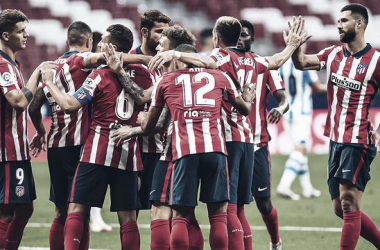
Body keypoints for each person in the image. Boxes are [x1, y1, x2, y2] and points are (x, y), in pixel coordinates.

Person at [148, 15, 307, 249]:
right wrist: (292, 45)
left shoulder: (218, 57)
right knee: (238, 208)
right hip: (248, 139)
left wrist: (175, 54)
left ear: (215, 38)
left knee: (226, 209)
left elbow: (204, 62)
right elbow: (276, 60)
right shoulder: (253, 60)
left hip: (224, 139)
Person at [40, 24, 146, 250]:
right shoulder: (145, 74)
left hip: (97, 151)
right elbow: (145, 101)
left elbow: (70, 104)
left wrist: (49, 82)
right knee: (128, 218)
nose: (98, 44)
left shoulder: (99, 75)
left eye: (103, 41)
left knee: (76, 208)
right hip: (128, 152)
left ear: (112, 48)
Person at [140, 44, 256, 250]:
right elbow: (244, 109)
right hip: (216, 150)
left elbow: (150, 127)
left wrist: (141, 119)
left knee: (181, 216)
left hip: (185, 152)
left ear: (179, 60)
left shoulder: (165, 80)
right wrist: (248, 97)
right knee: (218, 216)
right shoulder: (220, 77)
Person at [291, 3, 380, 249]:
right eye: (338, 21)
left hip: (358, 139)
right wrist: (295, 45)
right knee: (340, 208)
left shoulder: (376, 61)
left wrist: (379, 132)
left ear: (360, 23)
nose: (338, 25)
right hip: (335, 139)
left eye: (344, 21)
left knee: (349, 202)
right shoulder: (332, 54)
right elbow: (300, 63)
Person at [110, 25, 201, 250]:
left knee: (160, 210)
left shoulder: (169, 79)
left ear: (174, 49)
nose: (158, 45)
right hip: (206, 147)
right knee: (186, 211)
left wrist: (134, 128)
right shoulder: (205, 73)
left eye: (163, 42)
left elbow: (157, 121)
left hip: (174, 149)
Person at [0, 9, 56, 249]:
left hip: (17, 151)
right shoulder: (2, 65)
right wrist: (37, 72)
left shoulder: (13, 64)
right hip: (7, 152)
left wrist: (38, 131)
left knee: (24, 207)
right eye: (20, 31)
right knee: (7, 210)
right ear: (5, 35)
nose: (26, 35)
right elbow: (18, 101)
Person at [238, 19, 289, 250]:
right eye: (237, 34)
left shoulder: (265, 64)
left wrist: (280, 108)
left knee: (264, 203)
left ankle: (275, 241)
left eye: (245, 34)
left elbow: (284, 98)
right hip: (230, 143)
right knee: (232, 204)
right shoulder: (220, 64)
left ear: (253, 38)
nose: (240, 38)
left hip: (257, 144)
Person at [130, 9, 171, 211]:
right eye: (159, 32)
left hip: (161, 147)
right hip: (133, 148)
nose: (164, 37)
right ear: (144, 32)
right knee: (130, 210)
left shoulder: (169, 63)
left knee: (164, 208)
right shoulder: (128, 60)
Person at [276, 43, 326, 200]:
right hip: (301, 112)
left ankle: (307, 188)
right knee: (301, 150)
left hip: (286, 111)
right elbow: (317, 89)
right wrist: (333, 86)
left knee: (300, 149)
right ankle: (284, 185)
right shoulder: (304, 64)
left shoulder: (281, 64)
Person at [89, 30, 113, 233]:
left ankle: (96, 217)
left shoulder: (103, 69)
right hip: (88, 132)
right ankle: (93, 218)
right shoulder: (86, 67)